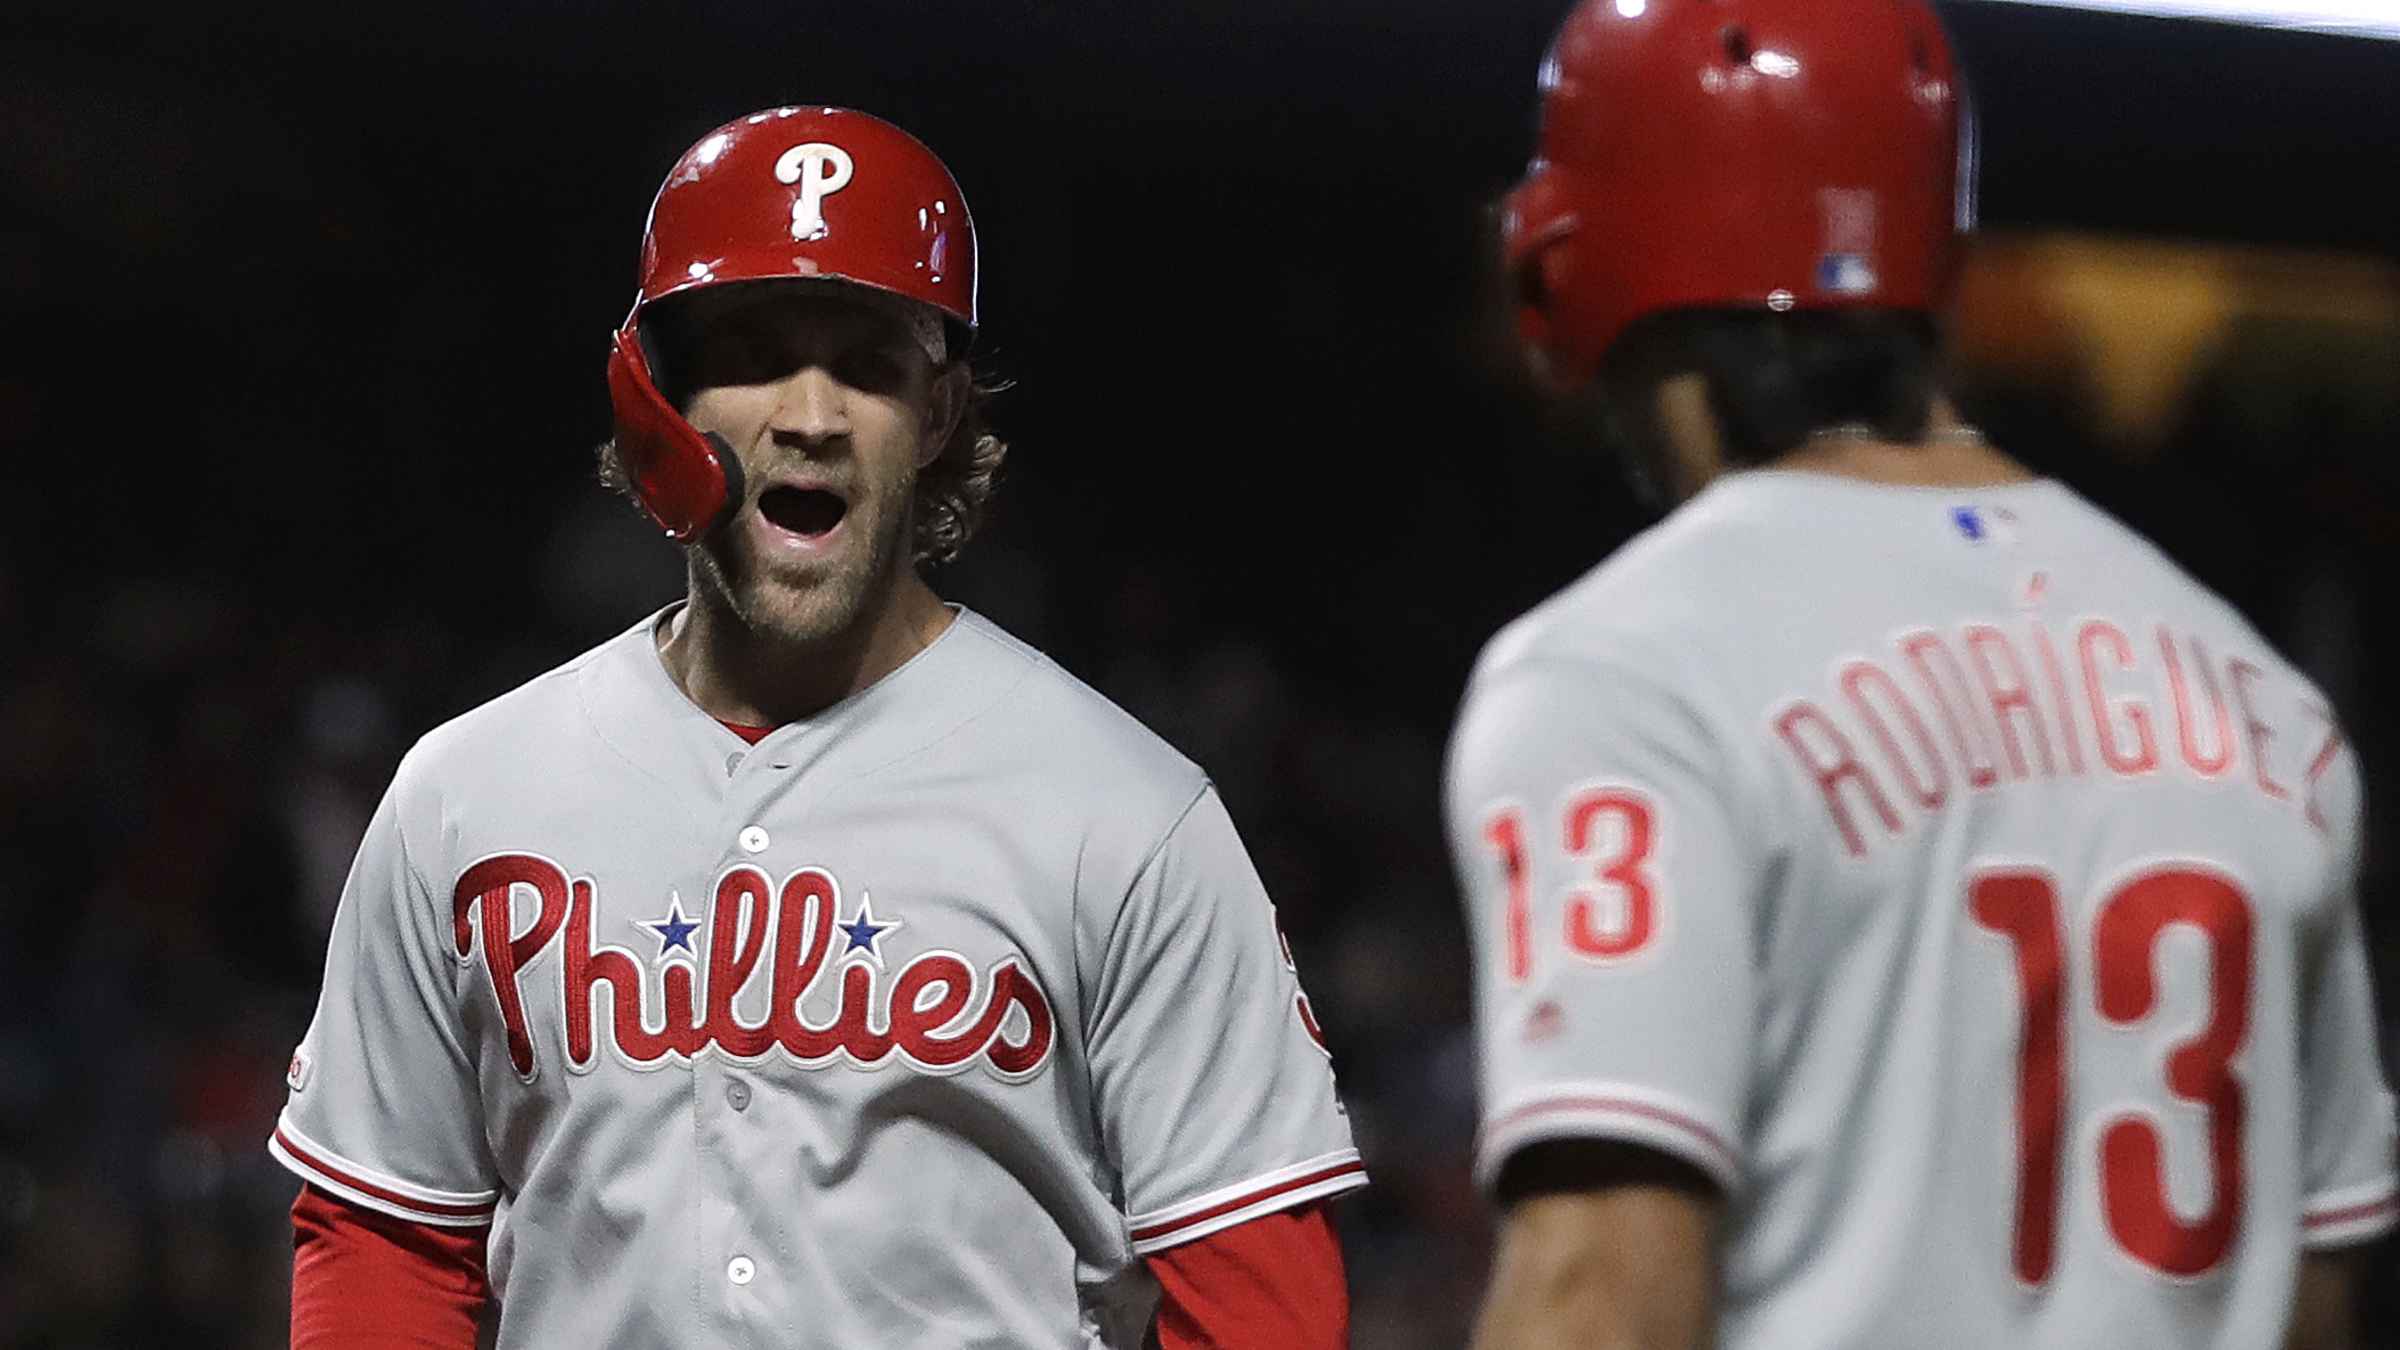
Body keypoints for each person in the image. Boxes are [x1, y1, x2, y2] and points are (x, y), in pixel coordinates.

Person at [270, 105, 1364, 1348]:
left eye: (868, 363)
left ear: (940, 414)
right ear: (657, 398)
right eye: (750, 351)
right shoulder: (467, 795)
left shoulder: (1127, 817)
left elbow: (1258, 1305)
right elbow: (388, 1244)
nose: (812, 414)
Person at [1444, 4, 2395, 1347]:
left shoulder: (1627, 668)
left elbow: (1601, 1285)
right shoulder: (2265, 701)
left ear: (1575, 256)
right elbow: (2318, 1295)